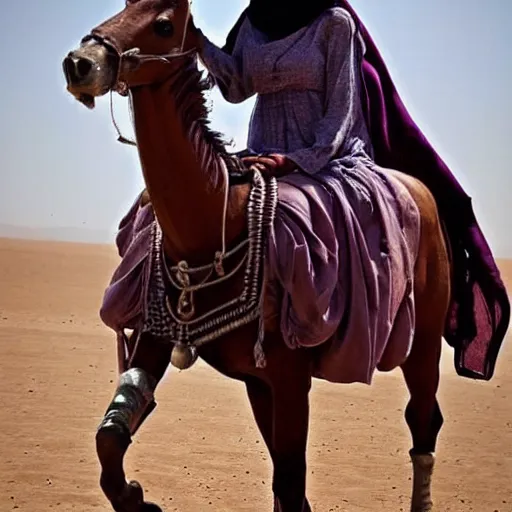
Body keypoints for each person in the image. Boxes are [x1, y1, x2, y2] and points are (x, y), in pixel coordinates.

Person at [192, 0, 509, 380]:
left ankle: (341, 323)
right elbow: (237, 85)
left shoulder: (335, 23)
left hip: (328, 158)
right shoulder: (253, 23)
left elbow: (341, 113)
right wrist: (194, 39)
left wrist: (298, 160)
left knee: (324, 221)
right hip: (262, 155)